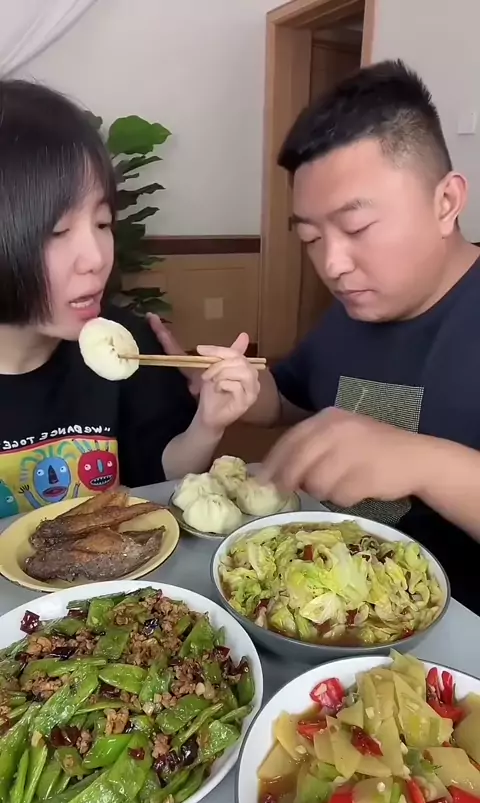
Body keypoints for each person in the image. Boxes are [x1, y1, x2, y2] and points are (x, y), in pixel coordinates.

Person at [152, 60, 480, 609]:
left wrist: (424, 463)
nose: (332, 265)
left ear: (445, 202)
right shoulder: (351, 313)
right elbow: (290, 401)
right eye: (310, 237)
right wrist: (240, 390)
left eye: (356, 228)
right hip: (330, 613)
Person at [0, 79, 259, 518]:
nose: (96, 258)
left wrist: (208, 423)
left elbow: (160, 475)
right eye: (58, 231)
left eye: (102, 223)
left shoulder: (128, 345)